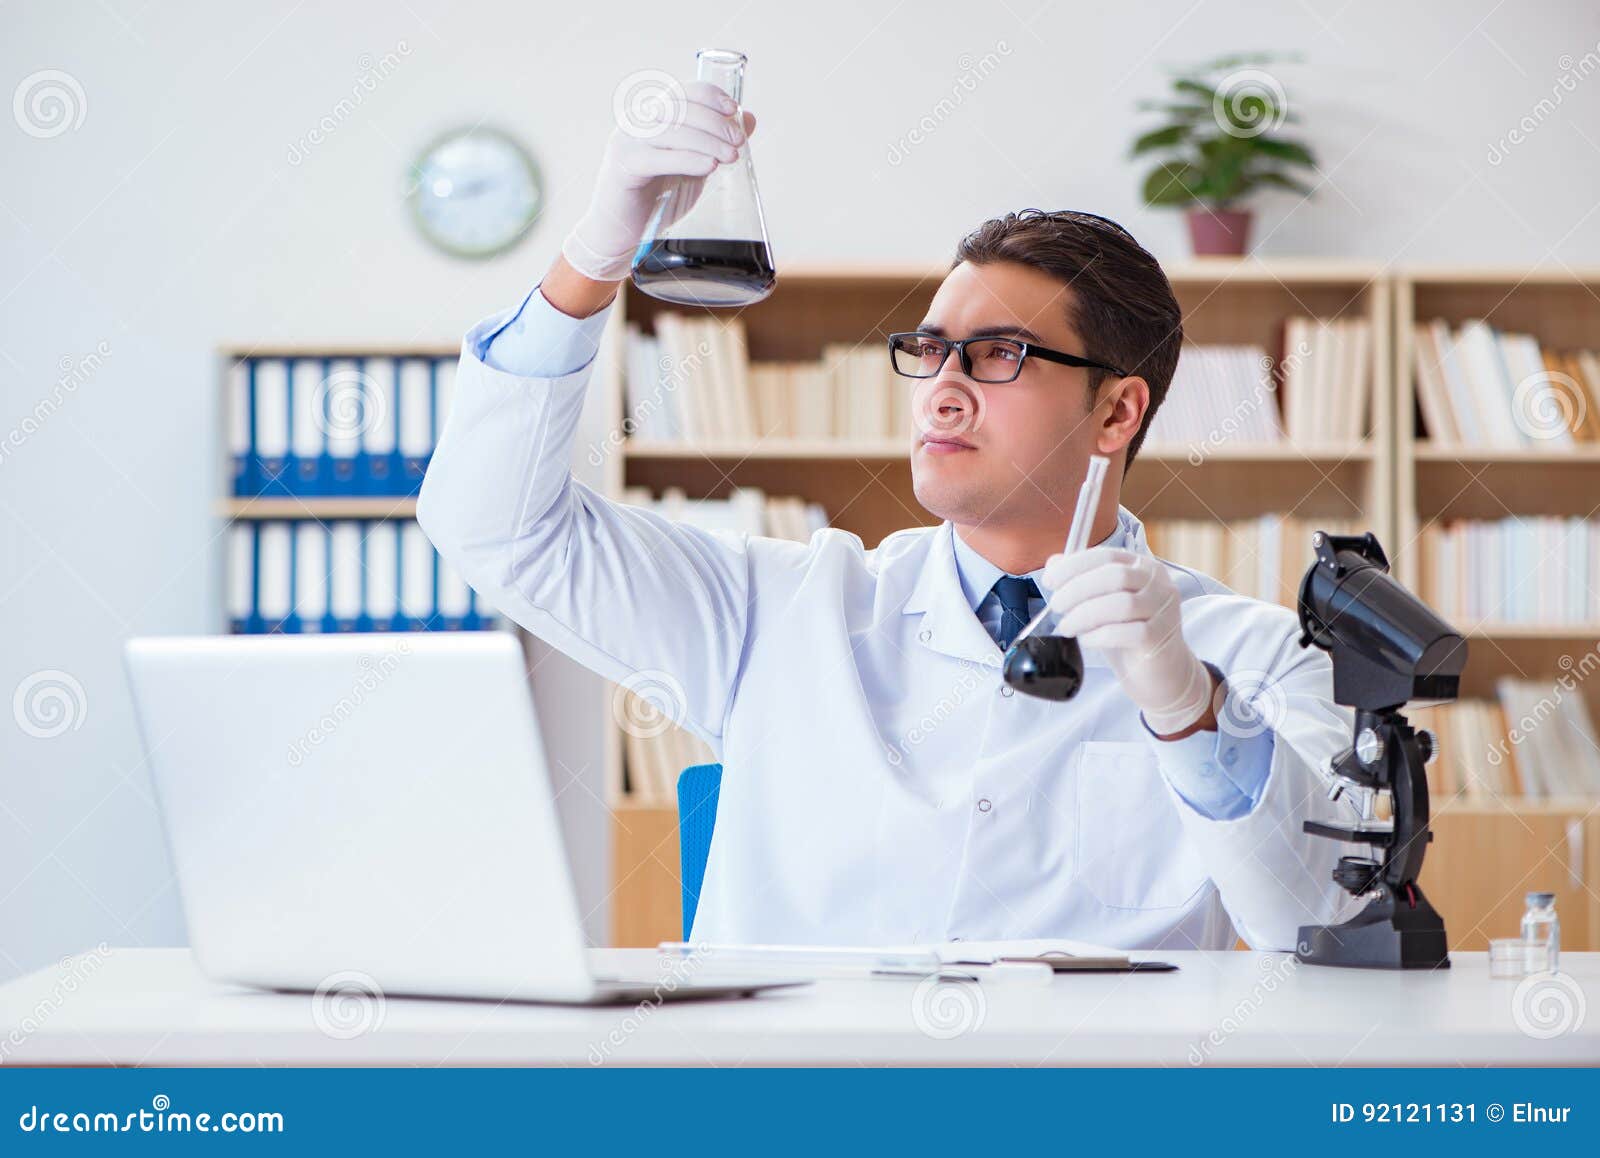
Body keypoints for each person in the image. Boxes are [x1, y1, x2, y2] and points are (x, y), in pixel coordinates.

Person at [418, 77, 1363, 951]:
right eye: (930, 352)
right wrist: (594, 255)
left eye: (998, 355)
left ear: (1117, 411)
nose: (942, 393)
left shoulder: (1259, 658)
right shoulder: (778, 607)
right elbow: (494, 523)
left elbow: (1317, 922)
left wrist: (1189, 712)